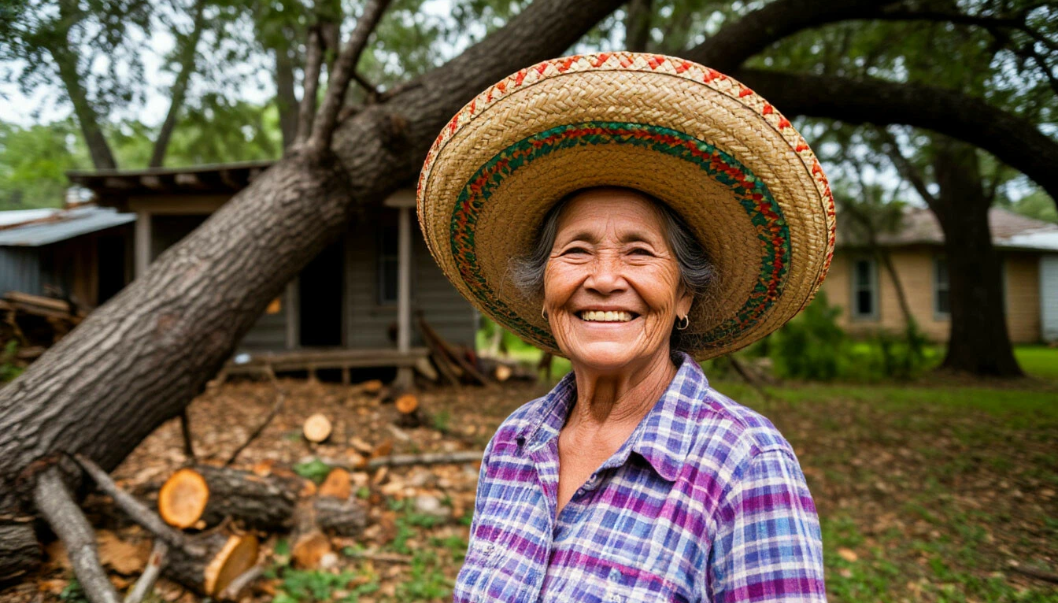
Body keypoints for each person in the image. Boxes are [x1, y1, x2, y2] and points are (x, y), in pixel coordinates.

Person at [416, 52, 834, 602]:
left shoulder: (745, 465)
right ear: (545, 292)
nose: (605, 278)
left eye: (638, 253)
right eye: (576, 251)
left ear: (683, 294)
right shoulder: (515, 444)